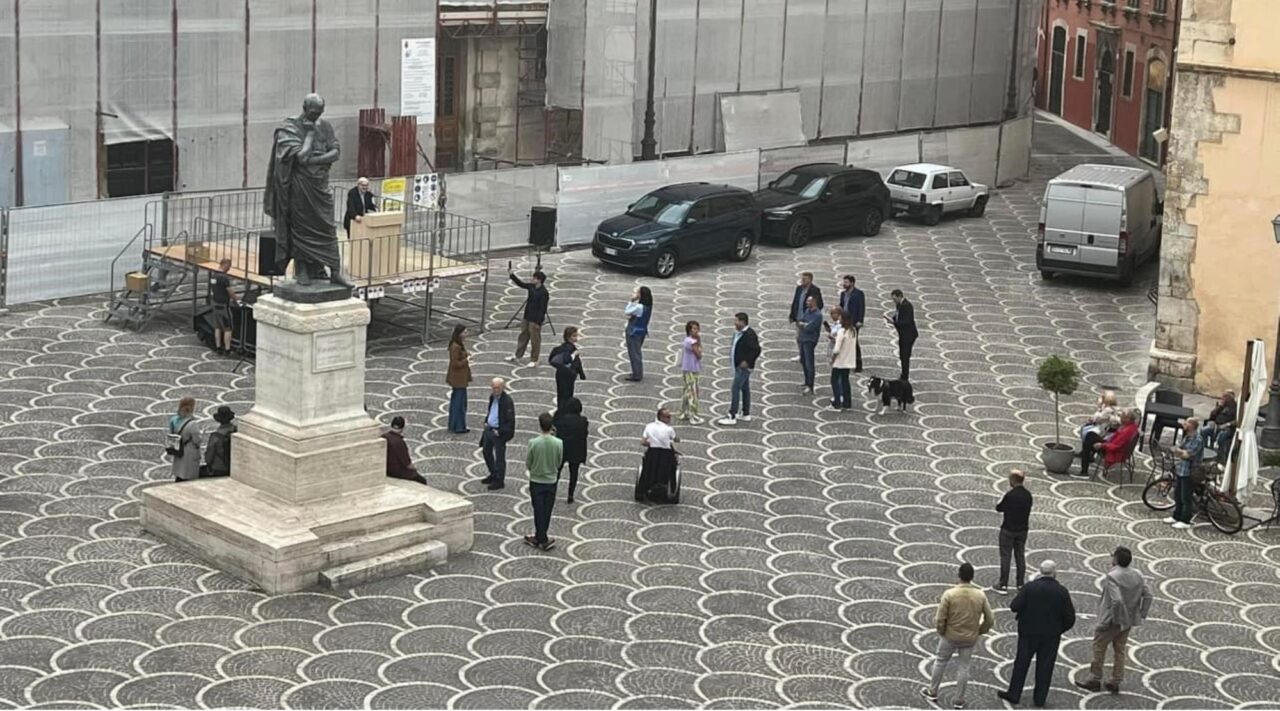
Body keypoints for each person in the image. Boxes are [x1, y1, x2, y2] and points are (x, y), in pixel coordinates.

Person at [263, 93, 352, 287]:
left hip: (320, 186)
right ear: (304, 107)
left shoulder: (325, 126)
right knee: (301, 229)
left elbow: (335, 152)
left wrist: (314, 160)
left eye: (319, 113)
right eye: (313, 113)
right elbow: (300, 157)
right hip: (300, 188)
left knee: (328, 228)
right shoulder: (289, 128)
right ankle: (302, 270)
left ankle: (335, 271)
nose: (316, 117)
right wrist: (310, 135)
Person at [998, 560, 1076, 709]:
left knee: (1021, 663)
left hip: (1028, 633)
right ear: (1055, 573)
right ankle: (1039, 698)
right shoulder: (1062, 591)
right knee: (1045, 667)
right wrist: (1059, 630)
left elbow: (1014, 606)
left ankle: (1014, 693)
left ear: (1040, 572)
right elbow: (1070, 618)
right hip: (1050, 637)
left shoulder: (1030, 587)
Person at [1076, 546, 1153, 695]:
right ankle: (1115, 680)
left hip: (1111, 621)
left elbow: (1116, 601)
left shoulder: (1112, 576)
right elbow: (1148, 595)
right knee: (1120, 650)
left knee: (1099, 647)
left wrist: (1117, 619)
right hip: (1128, 621)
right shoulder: (1137, 574)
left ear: (1116, 559)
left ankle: (1094, 678)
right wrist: (1141, 613)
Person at [922, 562, 994, 710]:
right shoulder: (980, 595)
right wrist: (980, 631)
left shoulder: (950, 594)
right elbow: (990, 619)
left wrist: (941, 631)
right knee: (964, 667)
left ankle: (933, 690)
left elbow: (940, 618)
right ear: (972, 577)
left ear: (959, 575)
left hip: (950, 635)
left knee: (940, 662)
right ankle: (959, 700)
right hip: (969, 637)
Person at [524, 412, 563, 551]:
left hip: (536, 480)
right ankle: (542, 537)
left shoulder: (533, 443)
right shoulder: (558, 443)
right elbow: (559, 462)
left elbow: (529, 462)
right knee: (547, 509)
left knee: (538, 509)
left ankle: (541, 537)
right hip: (551, 480)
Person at [717, 313, 761, 426]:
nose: (735, 323)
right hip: (738, 366)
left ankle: (732, 414)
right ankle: (745, 413)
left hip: (743, 368)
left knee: (735, 388)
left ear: (743, 322)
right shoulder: (738, 333)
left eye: (736, 321)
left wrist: (747, 362)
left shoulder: (749, 334)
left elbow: (756, 350)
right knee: (745, 388)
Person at [994, 469, 1032, 595]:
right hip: (1022, 530)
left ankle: (1003, 584)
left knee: (1006, 556)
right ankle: (1020, 584)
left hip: (1008, 530)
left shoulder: (1010, 495)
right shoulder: (1028, 495)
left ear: (1013, 480)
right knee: (1020, 556)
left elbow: (999, 508)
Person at [1167, 417, 1205, 529]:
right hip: (1181, 469)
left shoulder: (1197, 440)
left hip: (1190, 472)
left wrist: (1178, 451)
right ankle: (1176, 516)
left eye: (1187, 423)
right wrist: (1179, 451)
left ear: (1192, 426)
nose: (1184, 424)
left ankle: (1185, 520)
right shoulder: (1187, 437)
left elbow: (1187, 455)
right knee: (1178, 494)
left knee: (1186, 497)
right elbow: (1180, 449)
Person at [636, 407, 681, 504]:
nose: (670, 419)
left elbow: (643, 442)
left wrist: (652, 443)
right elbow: (675, 439)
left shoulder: (649, 426)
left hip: (652, 453)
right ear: (662, 417)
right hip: (666, 455)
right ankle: (672, 490)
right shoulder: (669, 429)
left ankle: (641, 491)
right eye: (668, 417)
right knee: (673, 468)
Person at [507, 269, 549, 366]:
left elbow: (543, 308)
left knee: (535, 340)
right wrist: (512, 275)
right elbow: (521, 284)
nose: (532, 279)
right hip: (527, 316)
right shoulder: (531, 287)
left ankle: (534, 359)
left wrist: (539, 322)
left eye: (534, 278)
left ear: (539, 280)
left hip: (535, 319)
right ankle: (518, 355)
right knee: (523, 336)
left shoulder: (544, 292)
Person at [480, 378, 516, 490]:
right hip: (489, 429)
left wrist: (500, 431)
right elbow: (491, 411)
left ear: (503, 387)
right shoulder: (492, 397)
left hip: (498, 433)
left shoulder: (507, 401)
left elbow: (510, 421)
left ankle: (500, 480)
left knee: (500, 457)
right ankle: (493, 473)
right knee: (486, 452)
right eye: (493, 388)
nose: (495, 390)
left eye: (497, 388)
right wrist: (486, 421)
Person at [553, 397, 588, 504]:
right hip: (576, 450)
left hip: (563, 449)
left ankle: (553, 491)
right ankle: (570, 494)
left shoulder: (562, 420)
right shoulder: (583, 421)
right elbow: (585, 434)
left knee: (557, 471)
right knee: (574, 473)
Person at [1078, 390, 1121, 474]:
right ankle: (1087, 456)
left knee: (1088, 435)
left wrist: (1099, 407)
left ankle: (1084, 468)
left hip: (1106, 436)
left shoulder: (1108, 410)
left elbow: (1096, 419)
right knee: (1089, 435)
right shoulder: (1116, 409)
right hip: (1109, 434)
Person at [1091, 408, 1140, 477]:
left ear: (1127, 419)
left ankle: (1085, 469)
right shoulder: (1132, 427)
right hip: (1119, 448)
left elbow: (1116, 446)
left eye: (1122, 417)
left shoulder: (1126, 431)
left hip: (1116, 451)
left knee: (1090, 438)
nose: (1120, 419)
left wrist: (1102, 445)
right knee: (1092, 437)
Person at [167, 397, 205, 483]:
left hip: (178, 449)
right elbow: (196, 440)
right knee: (187, 474)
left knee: (179, 472)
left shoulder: (174, 419)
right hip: (188, 452)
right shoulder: (192, 423)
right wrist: (201, 436)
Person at [788, 272, 824, 362]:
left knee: (807, 338)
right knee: (798, 337)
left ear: (810, 280)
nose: (803, 281)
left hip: (808, 319)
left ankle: (805, 354)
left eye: (805, 279)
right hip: (799, 317)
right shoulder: (799, 288)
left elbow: (820, 304)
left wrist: (812, 314)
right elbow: (795, 301)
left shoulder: (815, 290)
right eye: (802, 279)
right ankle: (801, 354)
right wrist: (792, 315)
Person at [548, 327, 586, 408]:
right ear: (569, 337)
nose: (576, 338)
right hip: (568, 374)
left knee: (561, 394)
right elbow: (568, 359)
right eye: (574, 336)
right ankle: (565, 410)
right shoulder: (570, 348)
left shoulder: (562, 347)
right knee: (567, 395)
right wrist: (574, 355)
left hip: (560, 374)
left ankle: (561, 409)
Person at [382, 416, 426, 485]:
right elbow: (407, 464)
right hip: (398, 472)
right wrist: (415, 468)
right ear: (402, 428)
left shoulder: (384, 436)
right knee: (422, 481)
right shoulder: (400, 442)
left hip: (387, 469)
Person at [886, 289, 919, 381]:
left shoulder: (907, 306)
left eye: (895, 299)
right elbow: (898, 315)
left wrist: (895, 323)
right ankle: (904, 374)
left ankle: (905, 377)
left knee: (905, 356)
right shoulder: (899, 305)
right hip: (903, 334)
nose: (894, 301)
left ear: (900, 296)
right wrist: (892, 319)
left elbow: (907, 321)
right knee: (902, 355)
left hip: (908, 335)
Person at [446, 325, 472, 434]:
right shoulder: (455, 346)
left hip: (460, 378)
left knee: (459, 402)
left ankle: (456, 425)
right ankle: (458, 426)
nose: (467, 334)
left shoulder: (458, 345)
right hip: (458, 379)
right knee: (459, 403)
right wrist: (467, 360)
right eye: (465, 332)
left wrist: (466, 354)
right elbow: (455, 363)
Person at [829, 308, 856, 410]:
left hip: (840, 361)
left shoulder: (841, 331)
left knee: (834, 381)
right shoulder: (852, 331)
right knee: (845, 381)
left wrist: (832, 359)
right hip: (848, 361)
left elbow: (837, 349)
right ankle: (847, 403)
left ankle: (837, 403)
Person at [625, 286, 653, 381]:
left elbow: (627, 311)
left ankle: (637, 374)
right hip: (642, 331)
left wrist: (632, 300)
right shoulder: (647, 306)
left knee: (634, 354)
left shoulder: (639, 307)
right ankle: (637, 372)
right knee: (636, 352)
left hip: (633, 331)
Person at [838, 274, 865, 372]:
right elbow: (841, 306)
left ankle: (858, 364)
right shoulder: (843, 294)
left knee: (854, 343)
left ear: (852, 283)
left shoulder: (859, 294)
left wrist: (860, 320)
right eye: (844, 282)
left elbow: (861, 307)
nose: (844, 284)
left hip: (853, 322)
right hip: (844, 322)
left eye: (846, 282)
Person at [210, 258, 238, 356]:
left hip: (215, 303)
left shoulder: (213, 276)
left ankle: (218, 347)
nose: (229, 268)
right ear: (224, 265)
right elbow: (230, 292)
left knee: (217, 327)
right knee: (228, 328)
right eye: (229, 266)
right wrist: (236, 300)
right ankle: (227, 349)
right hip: (223, 306)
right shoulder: (224, 278)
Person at [678, 320, 703, 423]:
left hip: (688, 368)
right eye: (694, 328)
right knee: (692, 392)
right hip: (691, 369)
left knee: (687, 390)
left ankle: (684, 411)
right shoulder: (691, 342)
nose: (696, 331)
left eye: (697, 328)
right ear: (689, 330)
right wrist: (699, 341)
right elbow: (699, 354)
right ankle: (693, 414)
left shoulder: (687, 340)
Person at [797, 295, 823, 394]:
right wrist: (804, 325)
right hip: (803, 338)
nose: (806, 303)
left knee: (809, 363)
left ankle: (810, 385)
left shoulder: (818, 315)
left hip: (810, 340)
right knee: (803, 360)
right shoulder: (807, 311)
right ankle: (806, 381)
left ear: (814, 302)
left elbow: (809, 327)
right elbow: (801, 322)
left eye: (809, 301)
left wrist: (804, 325)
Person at [203, 405, 236, 478]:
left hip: (219, 468)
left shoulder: (216, 437)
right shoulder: (236, 431)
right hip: (234, 467)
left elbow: (209, 458)